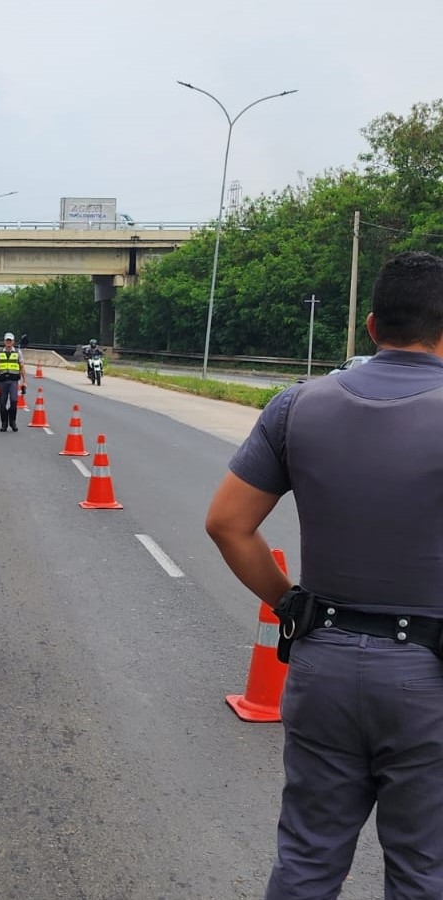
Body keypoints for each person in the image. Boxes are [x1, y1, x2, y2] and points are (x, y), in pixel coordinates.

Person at [205, 250, 443, 898]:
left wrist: (291, 605)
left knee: (308, 864)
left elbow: (228, 522)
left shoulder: (297, 406)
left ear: (370, 326)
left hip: (323, 662)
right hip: (428, 678)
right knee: (424, 872)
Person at [0, 332, 28, 431]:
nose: (8, 342)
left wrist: (24, 381)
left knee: (14, 401)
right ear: (4, 341)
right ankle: (4, 423)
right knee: (2, 403)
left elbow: (22, 367)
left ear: (13, 341)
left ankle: (12, 421)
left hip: (13, 381)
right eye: (7, 340)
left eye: (10, 340)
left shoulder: (17, 352)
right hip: (2, 381)